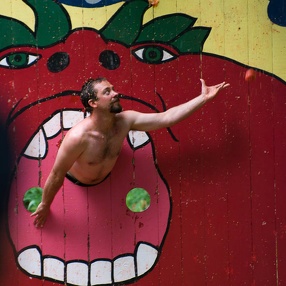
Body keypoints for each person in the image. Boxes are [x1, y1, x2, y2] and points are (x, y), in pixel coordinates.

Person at [32, 77, 229, 227]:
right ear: (93, 103)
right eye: (107, 92)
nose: (116, 93)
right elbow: (57, 174)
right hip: (76, 185)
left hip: (111, 181)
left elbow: (166, 118)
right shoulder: (78, 138)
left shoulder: (126, 120)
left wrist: (203, 98)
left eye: (114, 89)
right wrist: (45, 204)